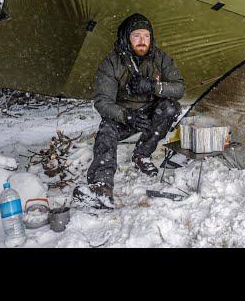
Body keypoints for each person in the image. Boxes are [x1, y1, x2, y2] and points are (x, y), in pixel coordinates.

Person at [73, 13, 184, 209]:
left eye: (146, 36)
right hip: (124, 115)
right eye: (136, 36)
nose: (142, 41)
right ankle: (102, 186)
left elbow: (178, 88)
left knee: (170, 107)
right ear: (126, 38)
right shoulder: (112, 63)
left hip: (150, 113)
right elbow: (102, 102)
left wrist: (153, 87)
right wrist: (126, 115)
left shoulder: (160, 58)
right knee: (107, 128)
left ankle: (142, 154)